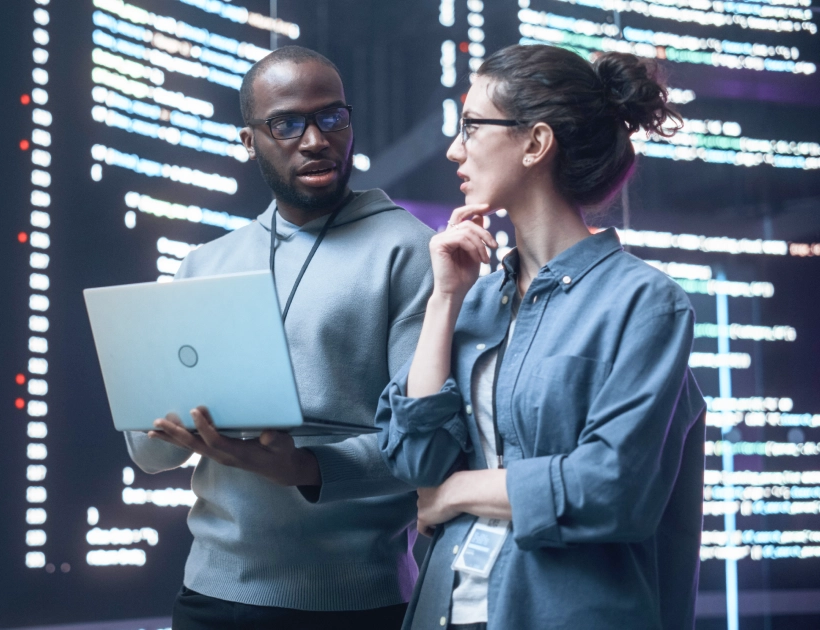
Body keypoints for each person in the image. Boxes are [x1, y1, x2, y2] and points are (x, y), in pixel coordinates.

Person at [377, 44, 705, 629]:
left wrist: (457, 494)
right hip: (446, 612)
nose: (455, 148)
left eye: (472, 127)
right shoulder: (473, 299)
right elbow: (417, 460)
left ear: (535, 143)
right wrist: (444, 299)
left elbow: (613, 488)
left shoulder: (644, 302)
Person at [124, 46, 436, 629]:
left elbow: (425, 448)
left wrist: (305, 465)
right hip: (210, 597)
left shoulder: (408, 249)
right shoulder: (206, 263)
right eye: (286, 123)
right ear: (249, 141)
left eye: (331, 117)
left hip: (358, 602)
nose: (315, 139)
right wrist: (161, 413)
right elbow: (149, 454)